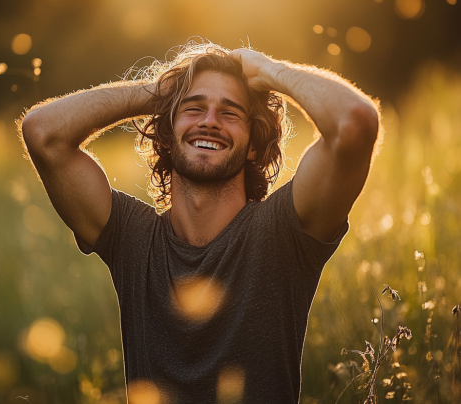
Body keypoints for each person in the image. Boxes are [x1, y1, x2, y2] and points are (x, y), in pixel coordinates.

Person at [20, 42, 380, 404]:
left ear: (253, 145)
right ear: (165, 134)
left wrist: (270, 72)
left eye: (230, 113)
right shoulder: (132, 238)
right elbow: (43, 133)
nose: (209, 121)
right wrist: (158, 92)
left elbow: (354, 122)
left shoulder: (283, 233)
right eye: (193, 108)